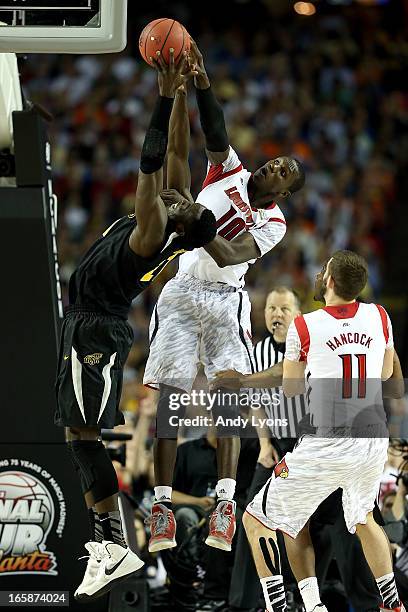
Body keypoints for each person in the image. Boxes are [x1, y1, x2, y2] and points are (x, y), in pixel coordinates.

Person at [54, 52, 217, 601]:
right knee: (80, 433)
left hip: (95, 330)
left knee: (84, 435)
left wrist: (163, 95)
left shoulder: (154, 232)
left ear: (183, 227)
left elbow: (151, 166)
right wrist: (184, 96)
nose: (180, 195)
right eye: (184, 195)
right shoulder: (175, 217)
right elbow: (175, 152)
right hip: (93, 326)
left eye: (185, 204)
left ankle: (111, 542)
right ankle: (109, 540)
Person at [143, 38, 305, 555]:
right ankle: (163, 507)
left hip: (225, 299)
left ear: (282, 192)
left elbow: (233, 256)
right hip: (184, 292)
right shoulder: (227, 170)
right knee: (169, 399)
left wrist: (198, 221)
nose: (271, 167)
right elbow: (214, 131)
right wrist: (202, 80)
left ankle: (227, 504)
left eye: (282, 171)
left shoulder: (275, 222)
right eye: (274, 160)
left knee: (229, 403)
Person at [243, 250, 406, 612]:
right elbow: (385, 373)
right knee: (364, 518)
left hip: (327, 442)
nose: (318, 274)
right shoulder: (379, 316)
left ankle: (279, 607)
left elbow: (291, 389)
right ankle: (393, 605)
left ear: (330, 281)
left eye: (323, 271)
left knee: (256, 520)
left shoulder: (305, 326)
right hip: (372, 436)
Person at [215, 287, 382, 612]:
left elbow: (282, 378)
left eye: (284, 308)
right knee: (255, 515)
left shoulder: (313, 342)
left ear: (297, 314)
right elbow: (257, 405)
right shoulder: (254, 350)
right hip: (278, 445)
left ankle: (367, 602)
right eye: (271, 308)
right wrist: (264, 443)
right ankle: (245, 603)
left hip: (319, 443)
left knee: (349, 519)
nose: (276, 314)